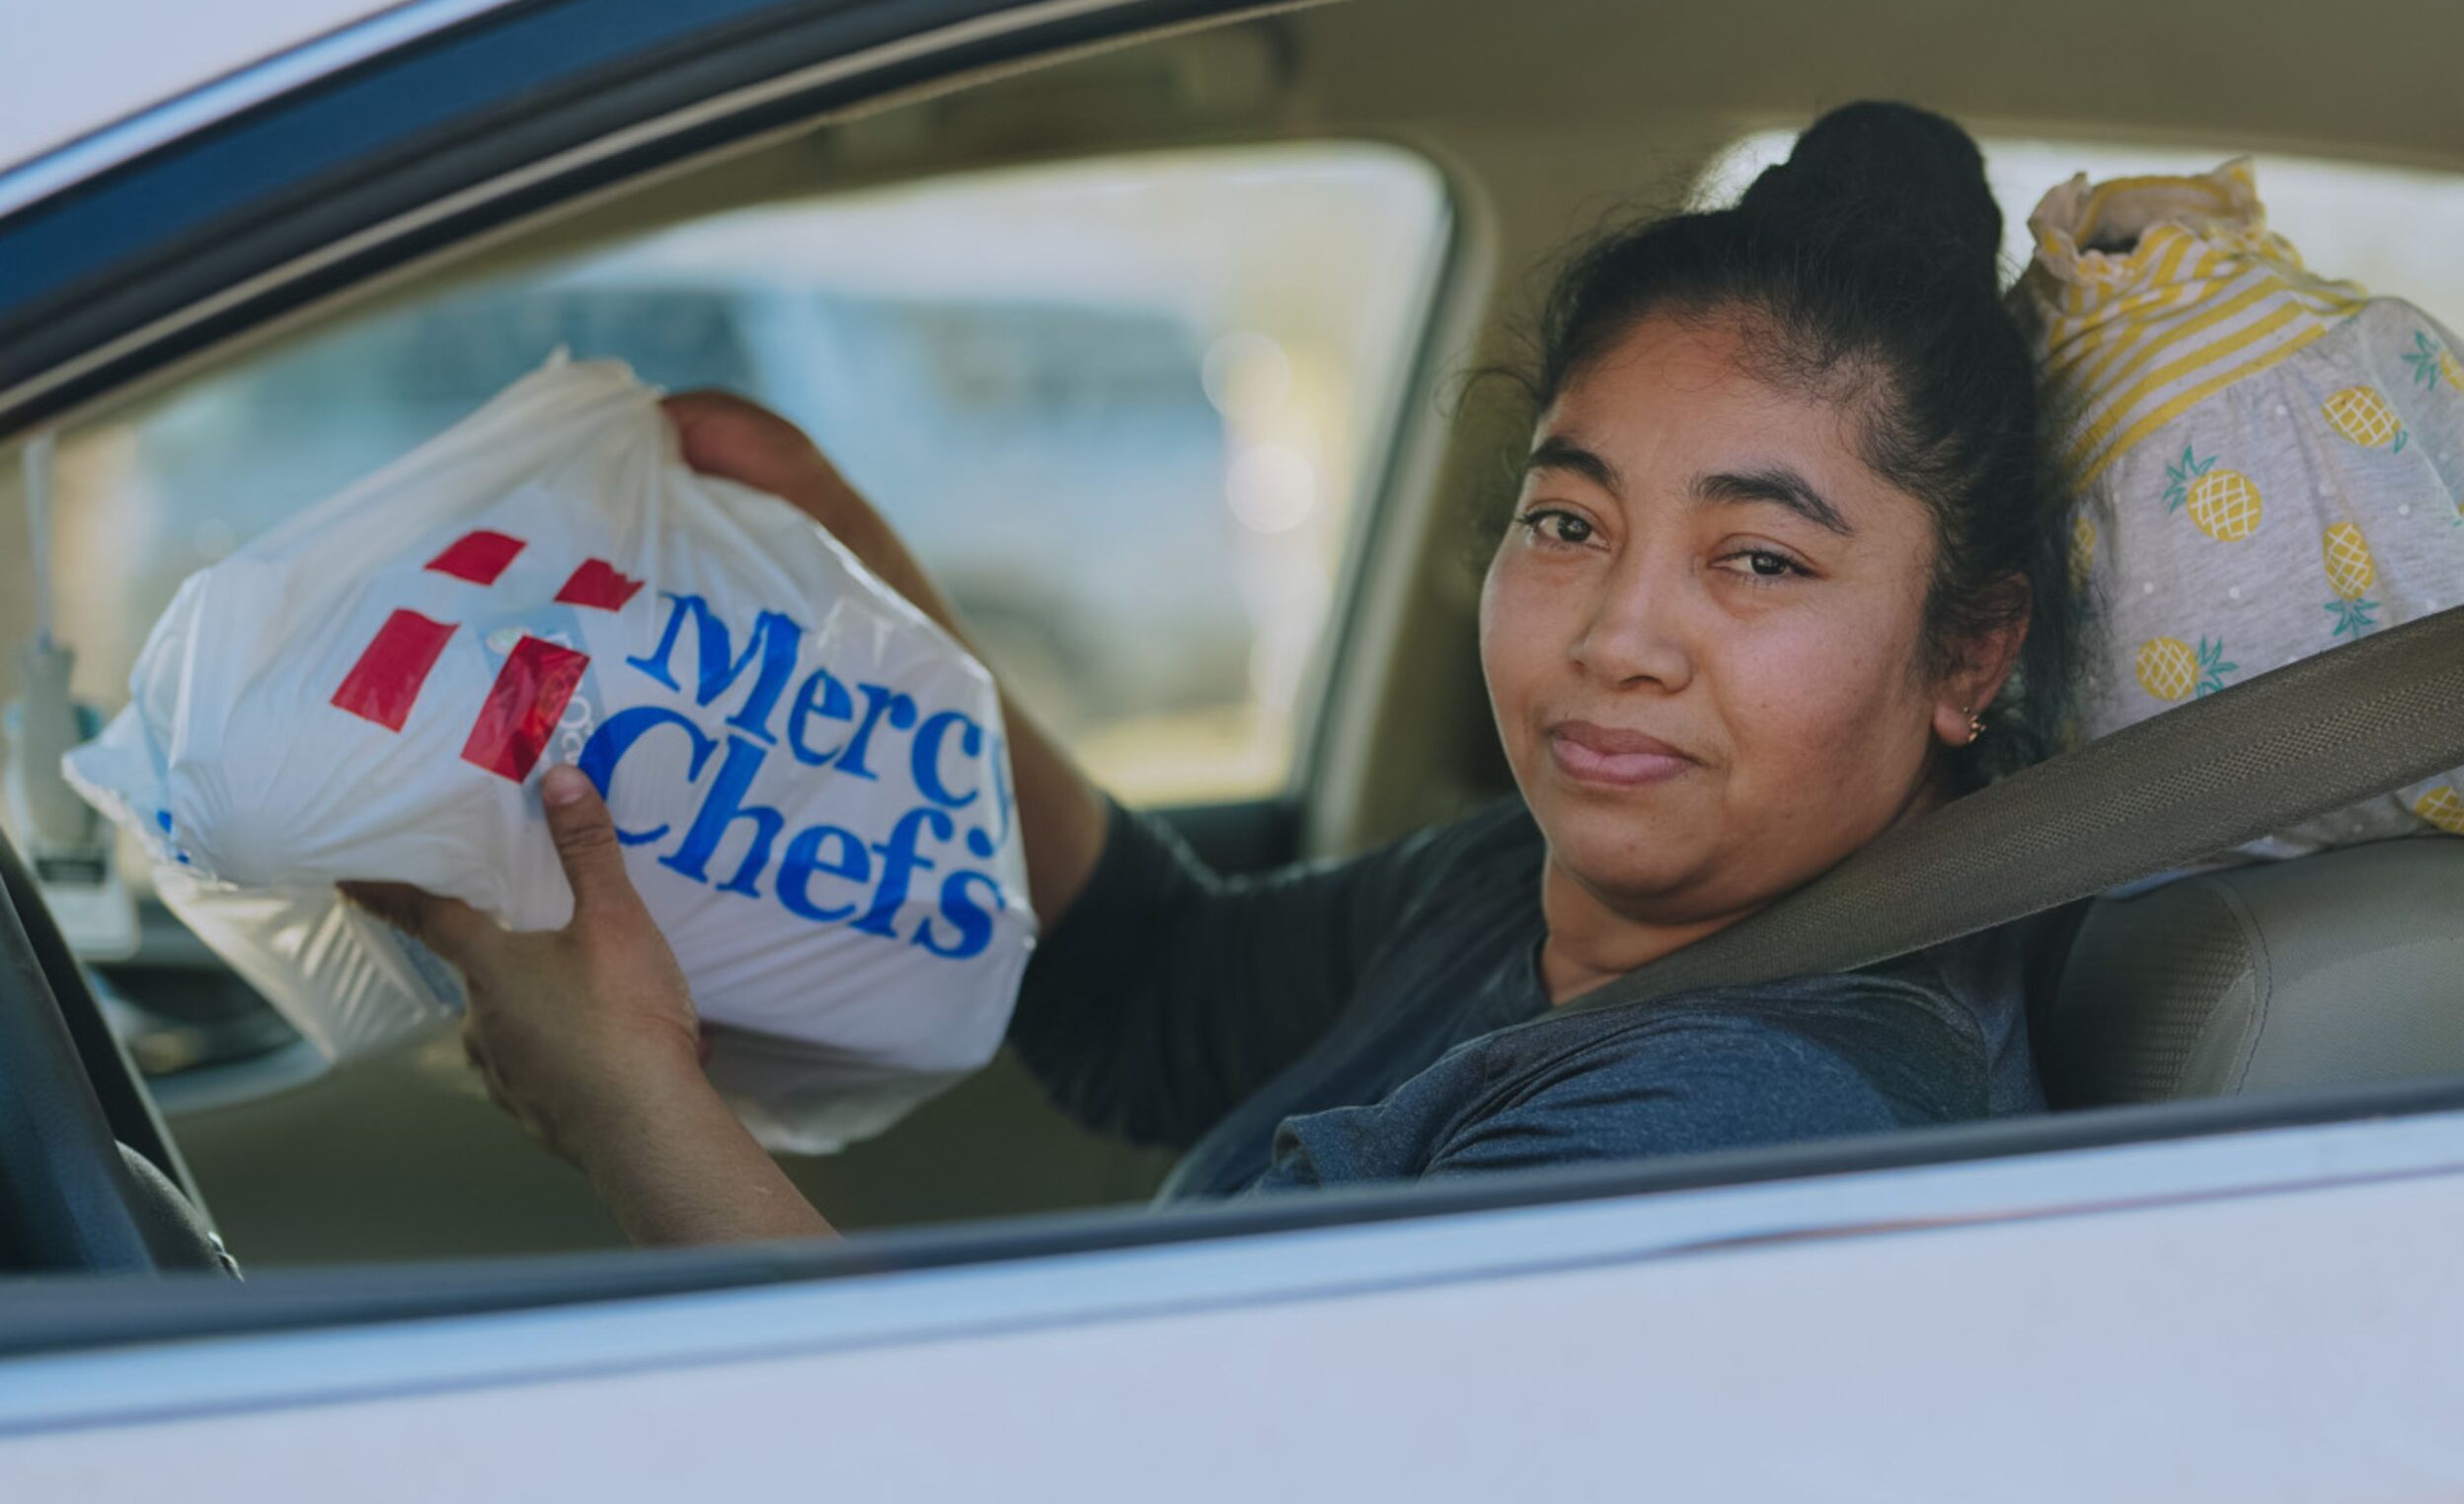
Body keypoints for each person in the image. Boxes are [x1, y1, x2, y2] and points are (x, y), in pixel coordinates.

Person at [347, 101, 2082, 1245]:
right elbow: (1148, 995)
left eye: (1758, 560)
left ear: (1971, 652)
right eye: (1568, 524)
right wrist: (823, 528)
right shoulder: (1516, 893)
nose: (1617, 634)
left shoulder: (1757, 1117)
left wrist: (633, 1113)